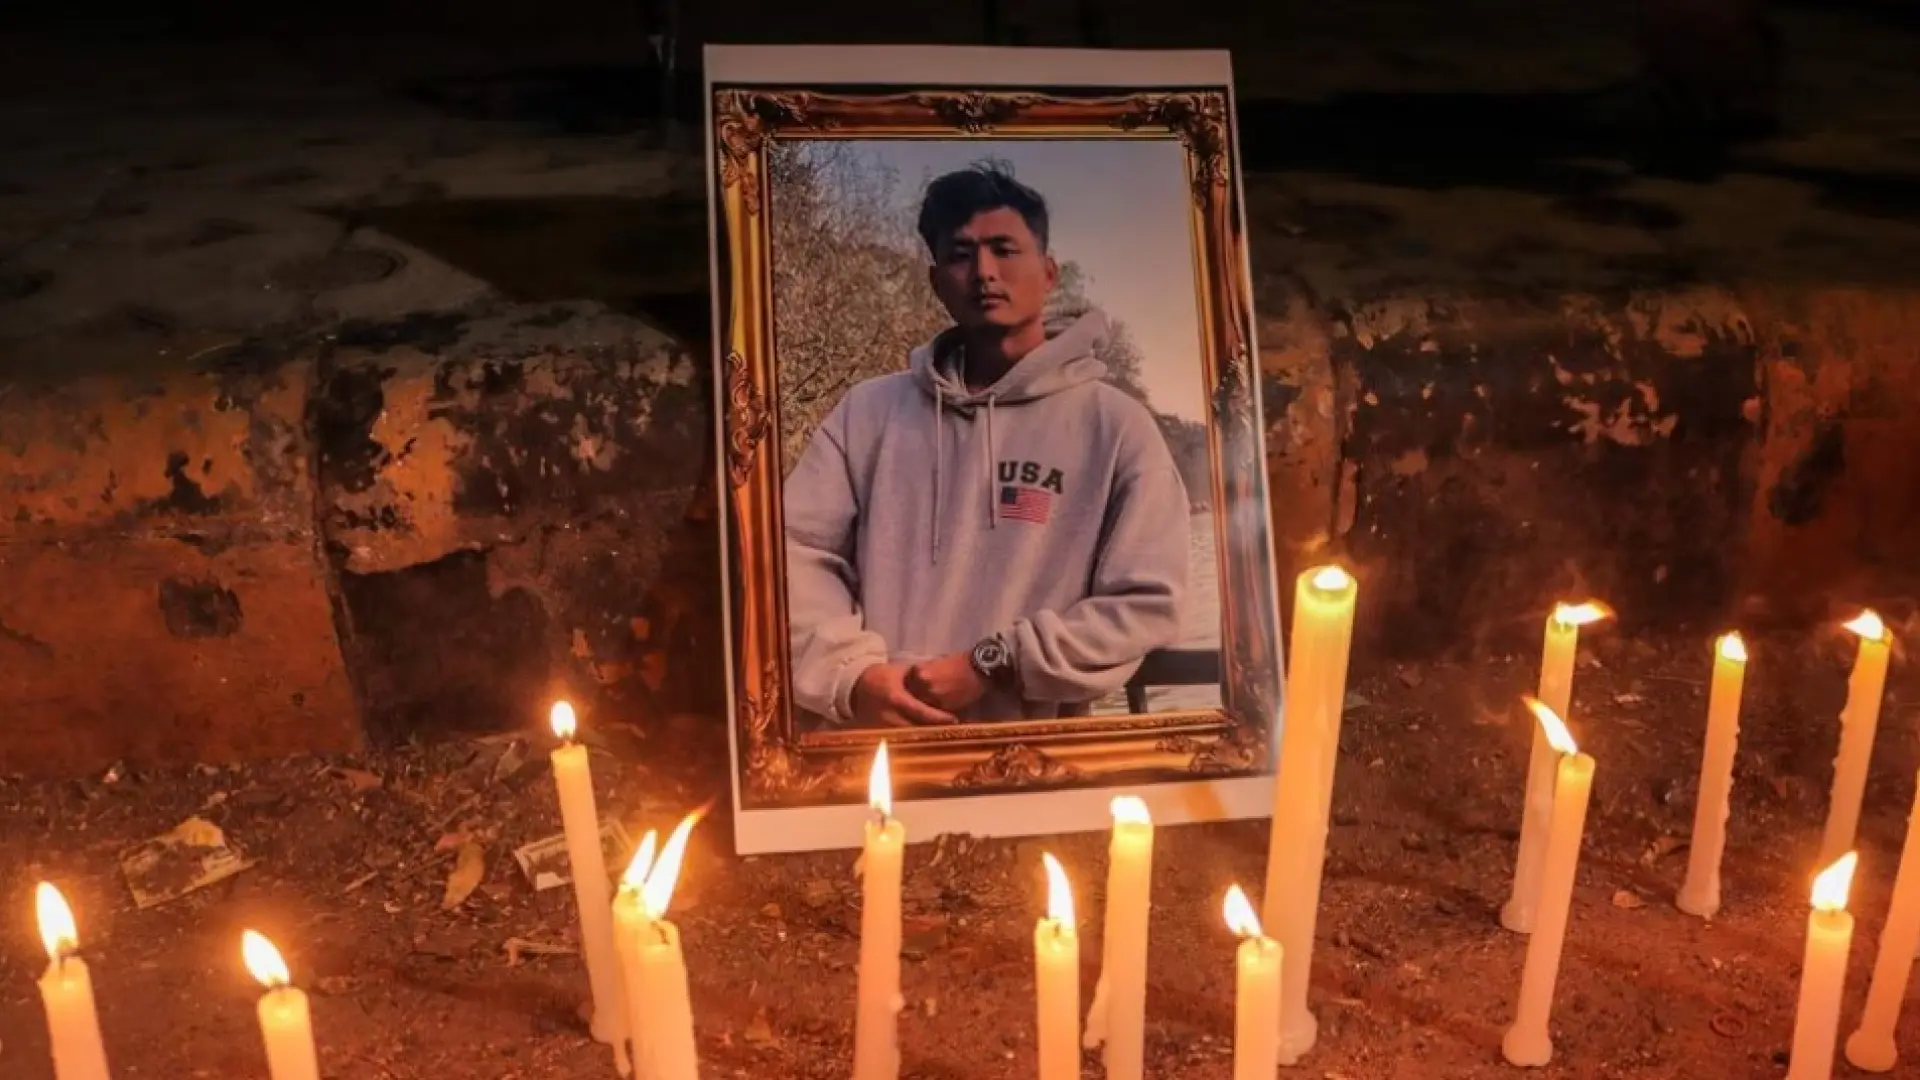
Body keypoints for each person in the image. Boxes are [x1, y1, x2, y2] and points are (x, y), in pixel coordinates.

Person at [782, 162, 1192, 728]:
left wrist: (994, 662)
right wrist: (852, 676)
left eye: (1004, 249)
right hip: (876, 751)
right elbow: (792, 553)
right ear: (936, 283)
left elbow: (1148, 602)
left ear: (1048, 272)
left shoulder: (1116, 427)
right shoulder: (868, 413)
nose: (984, 272)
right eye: (960, 255)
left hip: (1037, 757)